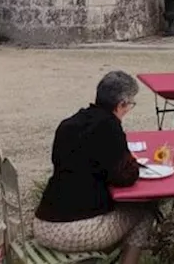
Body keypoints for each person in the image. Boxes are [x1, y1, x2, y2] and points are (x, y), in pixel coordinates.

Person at [33, 72, 156, 264]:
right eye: (130, 105)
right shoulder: (110, 128)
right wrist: (131, 160)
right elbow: (125, 177)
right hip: (75, 231)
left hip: (42, 222)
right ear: (121, 104)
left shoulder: (69, 123)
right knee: (145, 212)